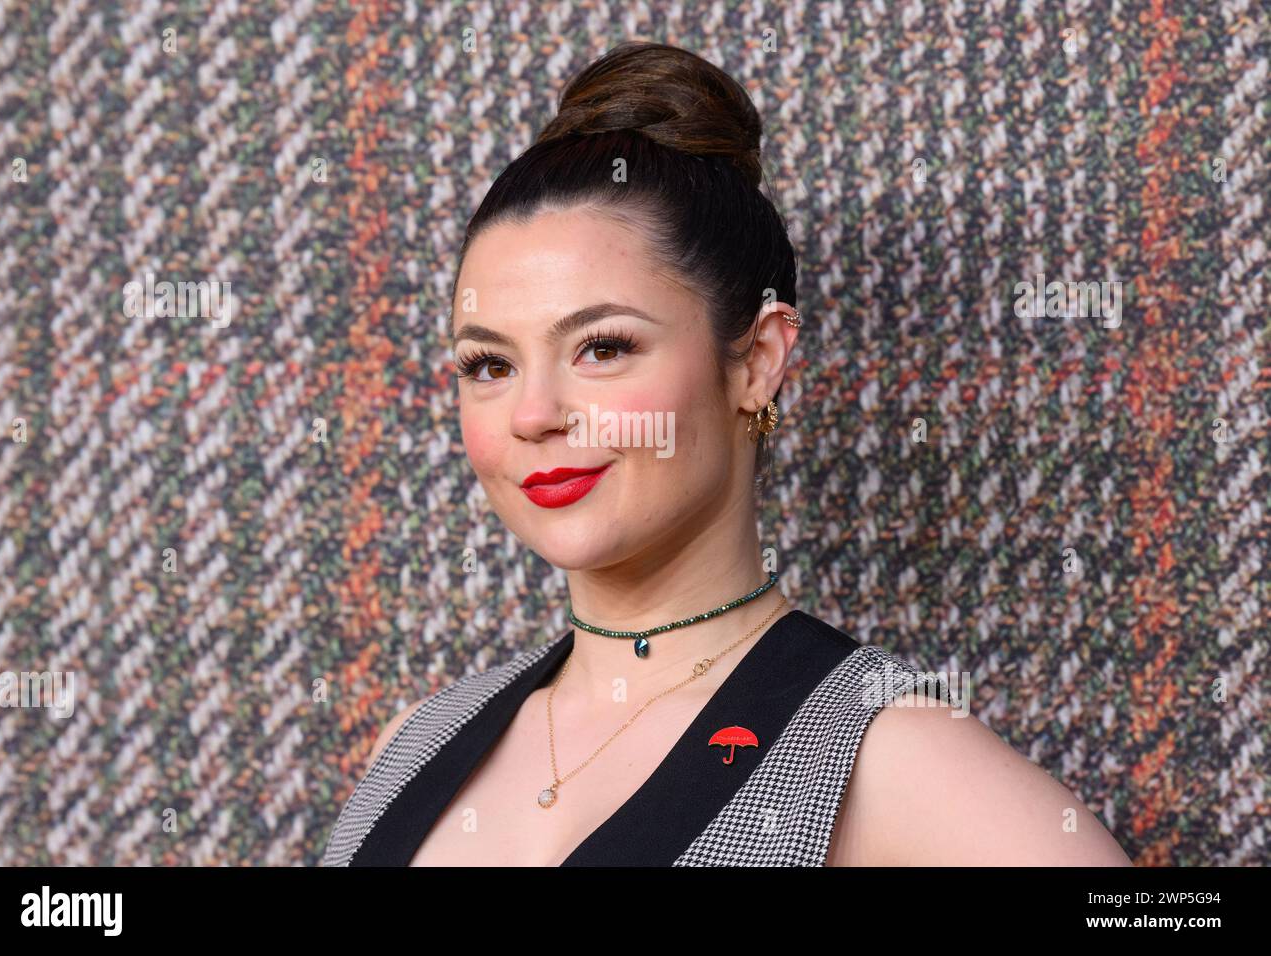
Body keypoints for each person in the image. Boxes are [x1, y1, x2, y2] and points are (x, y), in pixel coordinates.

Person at [323, 40, 1132, 867]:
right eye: (488, 364)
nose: (533, 414)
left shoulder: (889, 761)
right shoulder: (416, 743)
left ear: (757, 360)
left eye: (602, 347)